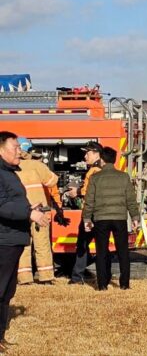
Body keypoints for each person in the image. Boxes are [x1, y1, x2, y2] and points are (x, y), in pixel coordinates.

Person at [0, 131, 49, 352]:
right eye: (15, 147)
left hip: (13, 238)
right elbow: (2, 205)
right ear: (1, 149)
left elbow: (12, 202)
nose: (20, 151)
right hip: (3, 240)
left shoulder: (10, 172)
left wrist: (31, 208)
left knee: (7, 292)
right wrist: (29, 214)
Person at [83, 147, 139, 290]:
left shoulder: (95, 178)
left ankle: (102, 284)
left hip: (101, 219)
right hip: (119, 218)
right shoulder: (124, 177)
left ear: (101, 160)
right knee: (123, 252)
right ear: (114, 160)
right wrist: (135, 217)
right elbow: (131, 199)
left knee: (101, 252)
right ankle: (125, 284)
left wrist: (87, 219)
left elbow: (89, 201)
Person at [15, 137, 59, 285]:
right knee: (42, 245)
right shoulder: (35, 165)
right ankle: (46, 277)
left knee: (24, 245)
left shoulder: (9, 166)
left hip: (20, 211)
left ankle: (24, 278)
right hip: (40, 211)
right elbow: (52, 181)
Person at [70, 141, 103, 284]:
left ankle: (77, 278)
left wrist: (75, 192)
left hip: (90, 214)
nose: (85, 156)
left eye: (87, 153)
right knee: (99, 245)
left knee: (82, 245)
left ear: (96, 154)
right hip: (101, 214)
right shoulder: (103, 169)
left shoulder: (94, 171)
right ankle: (101, 277)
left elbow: (88, 192)